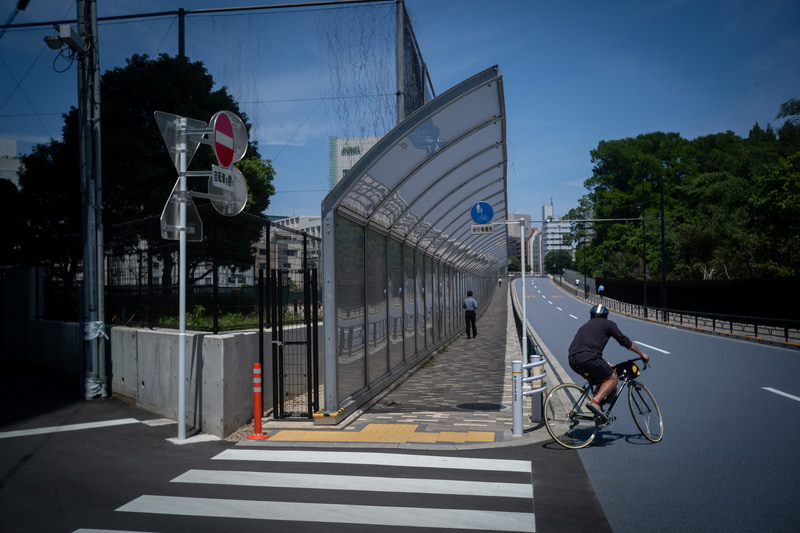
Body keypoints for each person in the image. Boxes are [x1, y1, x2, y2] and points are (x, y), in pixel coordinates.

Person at [567, 304, 649, 421]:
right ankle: (595, 401)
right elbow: (624, 341)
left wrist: (605, 363)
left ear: (591, 316)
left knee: (604, 375)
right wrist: (642, 354)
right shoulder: (608, 324)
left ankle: (598, 411)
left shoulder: (584, 326)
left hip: (573, 360)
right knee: (613, 379)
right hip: (589, 358)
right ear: (606, 317)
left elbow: (586, 348)